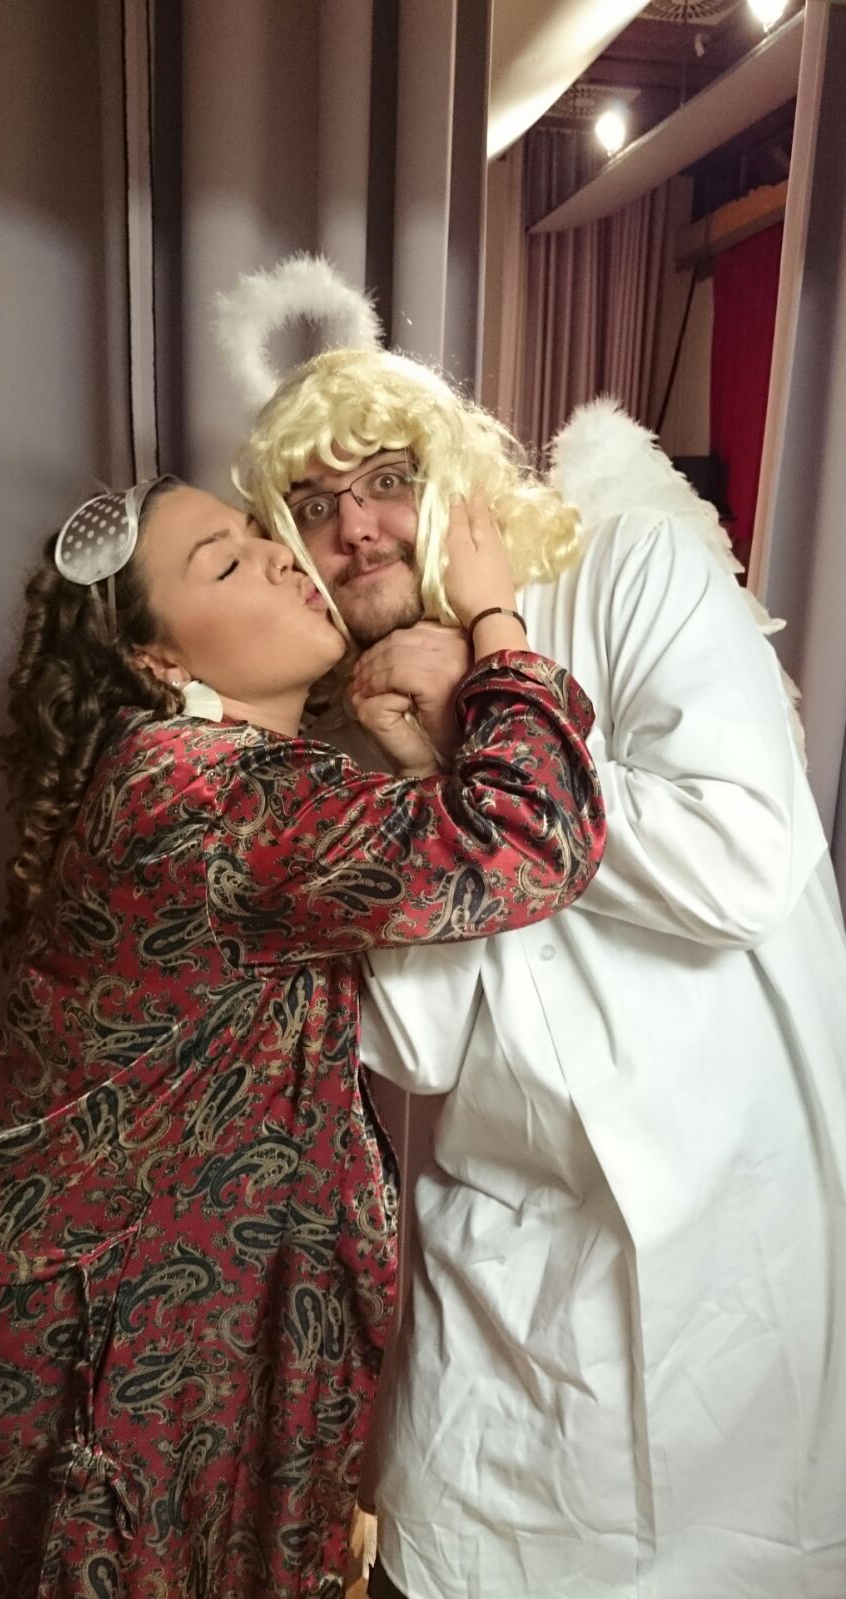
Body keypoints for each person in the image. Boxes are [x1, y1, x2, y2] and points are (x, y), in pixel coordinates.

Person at [240, 351, 846, 1599]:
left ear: (458, 485)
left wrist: (490, 712)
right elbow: (416, 1049)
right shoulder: (348, 723)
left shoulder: (627, 569)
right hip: (507, 1265)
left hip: (735, 1234)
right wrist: (424, 782)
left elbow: (739, 859)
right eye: (312, 506)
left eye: (388, 479)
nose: (355, 527)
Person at [0, 476, 606, 1599]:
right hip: (87, 1338)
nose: (275, 555)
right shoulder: (192, 791)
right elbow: (525, 833)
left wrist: (414, 747)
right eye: (223, 560)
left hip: (139, 1314)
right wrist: (494, 619)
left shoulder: (233, 785)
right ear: (158, 661)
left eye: (258, 533)